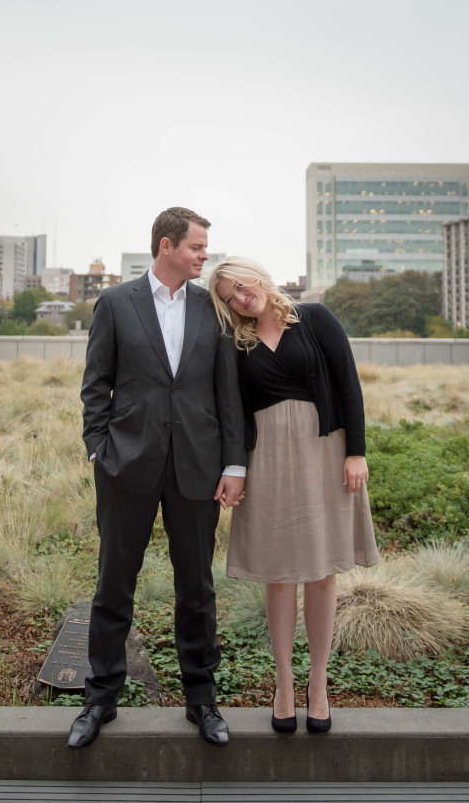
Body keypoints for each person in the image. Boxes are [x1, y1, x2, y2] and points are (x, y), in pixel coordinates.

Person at [68, 208, 247, 750]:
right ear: (166, 246)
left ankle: (202, 698)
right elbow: (95, 383)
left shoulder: (212, 309)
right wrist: (99, 449)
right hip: (126, 466)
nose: (203, 257)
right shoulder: (117, 303)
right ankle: (100, 699)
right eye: (197, 248)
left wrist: (234, 463)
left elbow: (227, 394)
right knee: (112, 585)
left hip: (198, 467)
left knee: (197, 588)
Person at [209, 257, 379, 734]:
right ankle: (284, 683)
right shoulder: (235, 342)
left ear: (257, 276)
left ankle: (318, 685)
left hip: (326, 453)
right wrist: (236, 468)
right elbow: (233, 408)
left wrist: (356, 453)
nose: (241, 298)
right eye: (229, 297)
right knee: (279, 572)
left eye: (241, 286)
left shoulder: (315, 318)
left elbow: (349, 384)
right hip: (268, 461)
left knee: (322, 571)